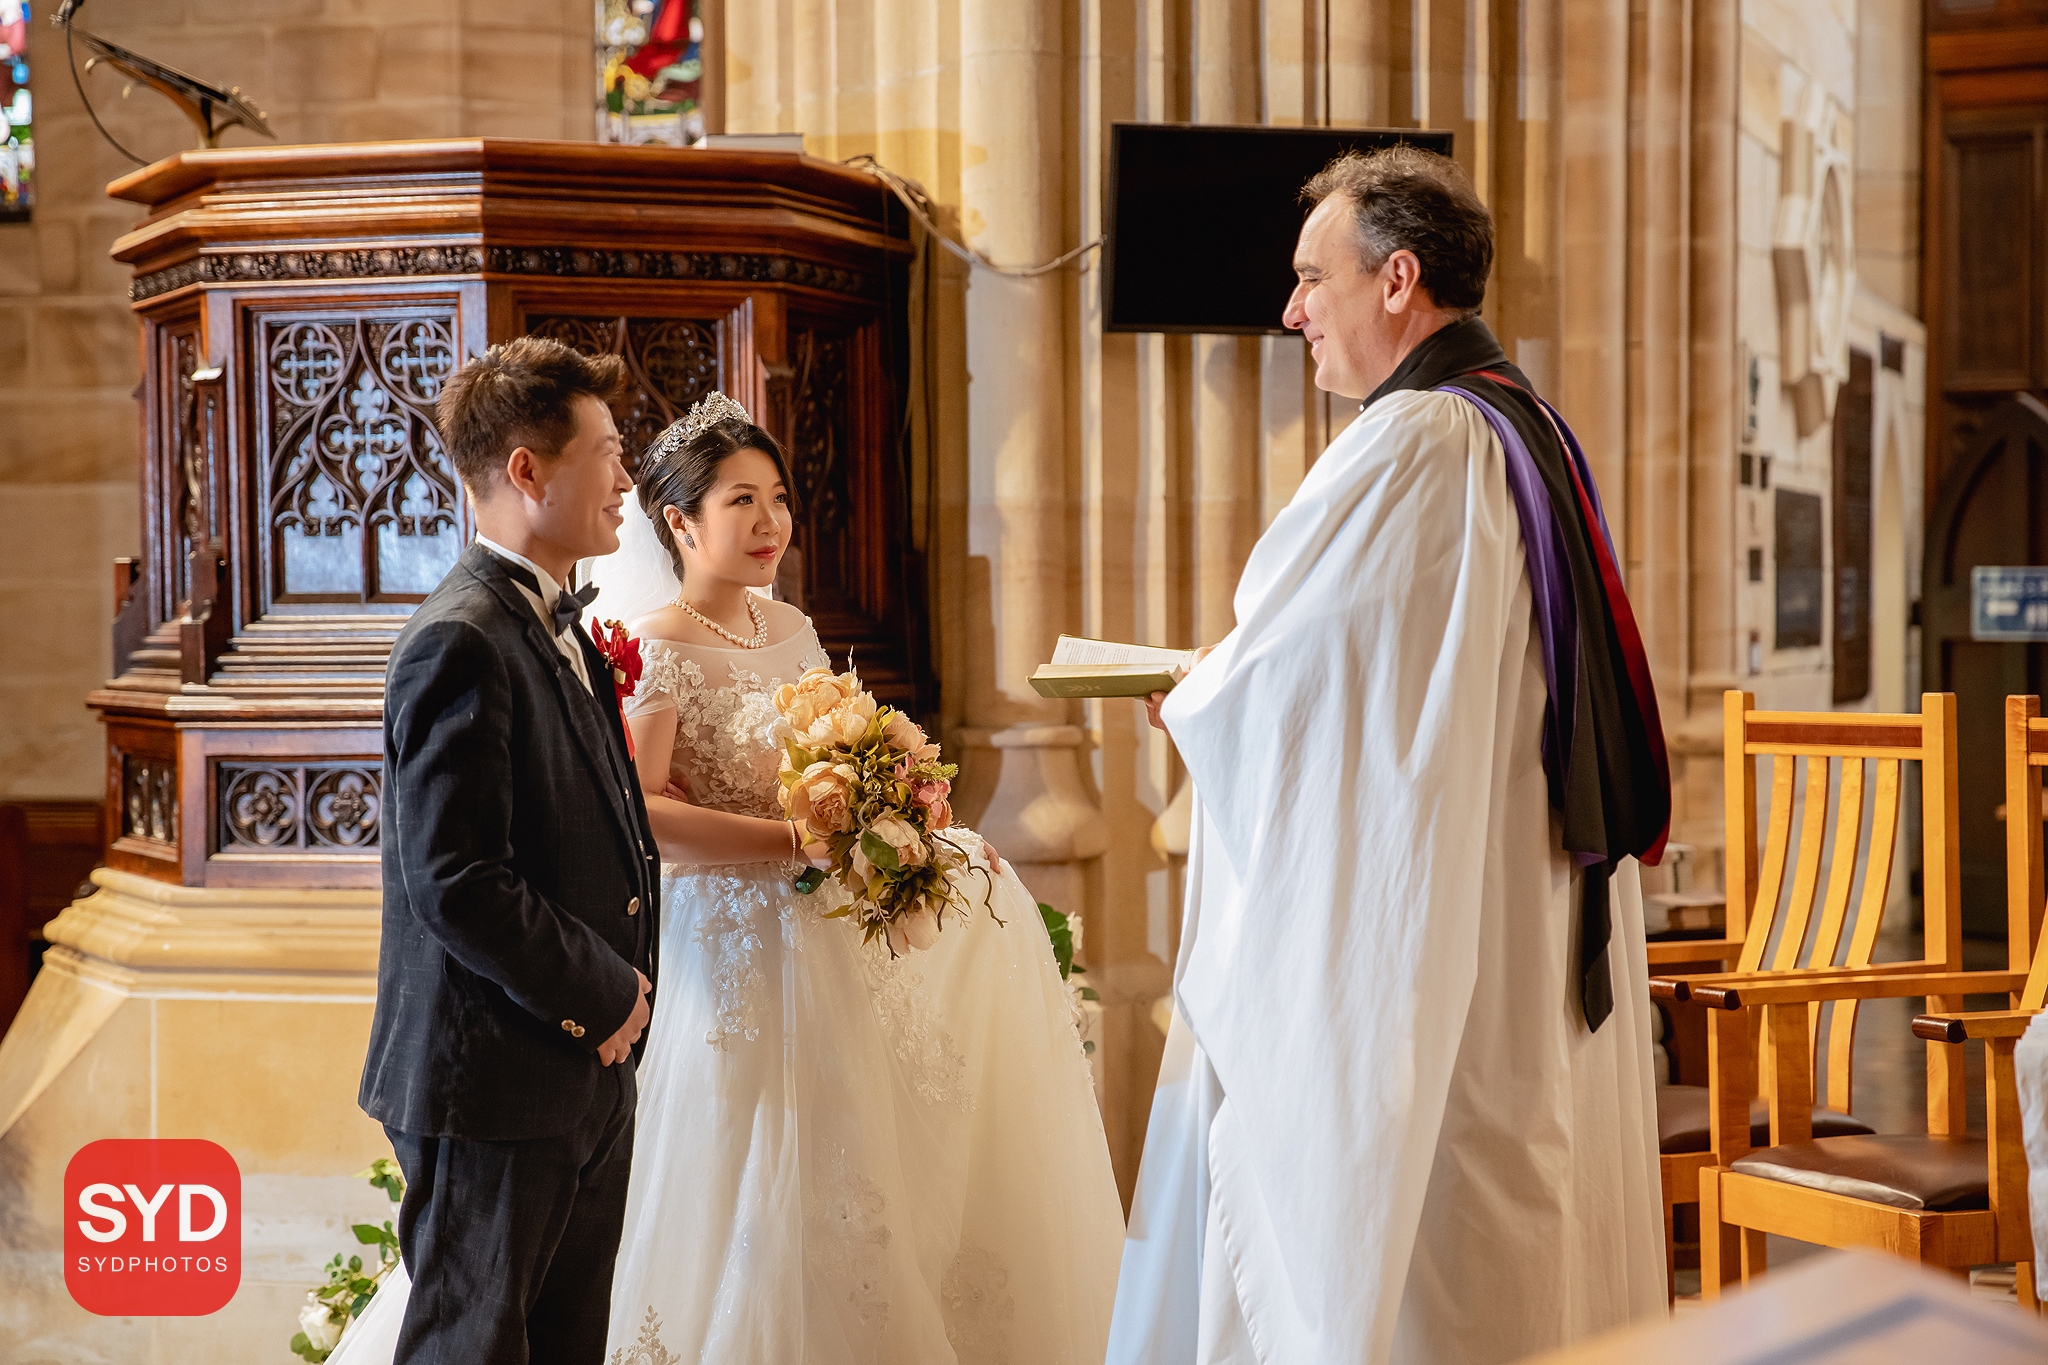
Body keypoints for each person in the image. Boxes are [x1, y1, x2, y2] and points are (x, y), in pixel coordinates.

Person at [337, 389, 1127, 1365]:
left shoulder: (789, 624)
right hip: (726, 946)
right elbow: (638, 815)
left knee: (853, 1182)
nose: (770, 523)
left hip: (823, 941)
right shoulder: (655, 644)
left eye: (779, 498)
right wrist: (791, 840)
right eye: (740, 501)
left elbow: (844, 767)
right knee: (725, 1175)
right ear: (679, 522)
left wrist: (909, 822)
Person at [1106, 147, 1669, 1365]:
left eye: (1313, 277)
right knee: (1502, 1165)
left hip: (1454, 905)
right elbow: (1383, 664)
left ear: (1397, 279)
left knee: (1437, 1189)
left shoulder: (1416, 437)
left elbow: (1306, 680)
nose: (1291, 309)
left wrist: (1199, 693)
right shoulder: (1519, 422)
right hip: (1507, 877)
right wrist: (1232, 677)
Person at [355, 336, 661, 1363]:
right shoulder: (461, 638)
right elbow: (457, 880)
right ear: (528, 471)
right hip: (492, 1077)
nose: (626, 480)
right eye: (607, 453)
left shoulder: (553, 622)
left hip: (573, 1070)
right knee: (470, 1349)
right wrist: (603, 994)